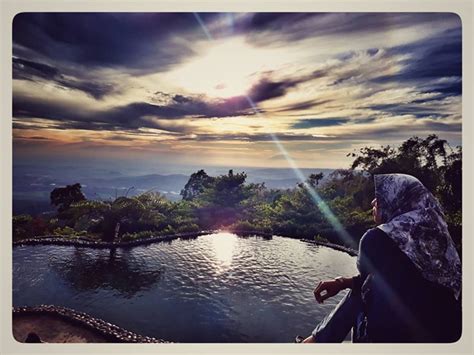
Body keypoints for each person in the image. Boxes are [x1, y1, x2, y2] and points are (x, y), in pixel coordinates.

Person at [300, 173, 462, 343]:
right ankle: (316, 341)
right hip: (446, 333)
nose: (373, 202)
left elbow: (369, 280)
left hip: (395, 338)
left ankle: (314, 343)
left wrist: (346, 284)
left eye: (379, 197)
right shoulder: (437, 234)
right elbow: (397, 283)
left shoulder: (377, 239)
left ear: (395, 199)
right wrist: (342, 282)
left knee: (360, 295)